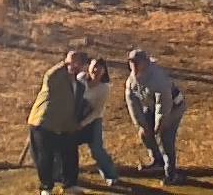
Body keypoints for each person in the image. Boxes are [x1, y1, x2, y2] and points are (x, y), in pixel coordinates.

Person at [27, 50, 88, 195]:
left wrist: (74, 125)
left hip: (65, 125)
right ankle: (46, 187)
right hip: (44, 122)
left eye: (78, 62)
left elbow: (74, 107)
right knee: (45, 156)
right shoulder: (56, 77)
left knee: (70, 155)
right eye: (73, 62)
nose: (75, 65)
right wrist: (65, 62)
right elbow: (50, 75)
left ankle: (69, 185)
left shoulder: (79, 85)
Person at [126, 48, 188, 185]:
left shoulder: (158, 78)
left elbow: (164, 104)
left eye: (137, 62)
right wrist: (142, 125)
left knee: (165, 138)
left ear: (145, 63)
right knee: (144, 133)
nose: (134, 65)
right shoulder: (131, 80)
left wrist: (159, 124)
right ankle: (157, 161)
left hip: (173, 107)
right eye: (131, 62)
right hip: (152, 106)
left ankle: (171, 174)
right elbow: (132, 103)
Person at [77, 58, 120, 186]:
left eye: (99, 68)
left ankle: (110, 175)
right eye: (94, 66)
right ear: (89, 67)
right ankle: (62, 174)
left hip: (93, 120)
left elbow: (97, 111)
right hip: (76, 118)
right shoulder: (80, 79)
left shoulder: (104, 88)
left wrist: (82, 124)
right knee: (66, 146)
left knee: (97, 149)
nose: (96, 70)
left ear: (104, 72)